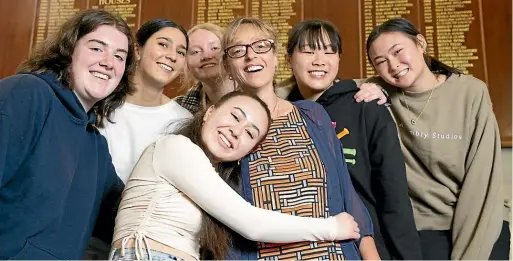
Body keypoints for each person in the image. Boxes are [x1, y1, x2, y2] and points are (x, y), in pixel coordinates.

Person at [109, 91, 361, 261]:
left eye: (250, 133)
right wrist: (331, 227)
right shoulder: (175, 147)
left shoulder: (207, 177)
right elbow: (252, 223)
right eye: (235, 116)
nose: (236, 132)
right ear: (209, 112)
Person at [221, 17, 379, 260]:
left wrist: (370, 254)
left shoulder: (312, 114)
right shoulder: (223, 128)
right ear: (226, 65)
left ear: (276, 57)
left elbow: (346, 192)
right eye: (238, 50)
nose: (251, 56)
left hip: (333, 254)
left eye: (261, 46)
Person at [364, 17, 509, 260]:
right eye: (381, 62)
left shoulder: (470, 92)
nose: (393, 65)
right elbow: (317, 83)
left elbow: (482, 183)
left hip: (480, 219)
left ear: (421, 43)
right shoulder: (377, 94)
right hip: (420, 229)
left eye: (398, 51)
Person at [0, 9, 135, 260]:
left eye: (119, 56)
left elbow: (122, 216)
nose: (108, 62)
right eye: (97, 48)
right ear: (68, 50)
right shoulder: (26, 93)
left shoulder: (95, 145)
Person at [283, 19, 421, 260]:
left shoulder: (366, 106)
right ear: (289, 58)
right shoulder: (282, 114)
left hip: (368, 248)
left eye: (329, 51)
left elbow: (393, 196)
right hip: (302, 246)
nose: (319, 60)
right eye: (307, 51)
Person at [100, 18, 192, 184]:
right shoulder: (99, 104)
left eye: (181, 52)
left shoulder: (184, 121)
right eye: (163, 44)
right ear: (137, 50)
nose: (172, 56)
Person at [176, 23, 235, 114]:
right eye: (196, 51)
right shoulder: (178, 109)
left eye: (214, 48)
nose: (206, 56)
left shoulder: (257, 99)